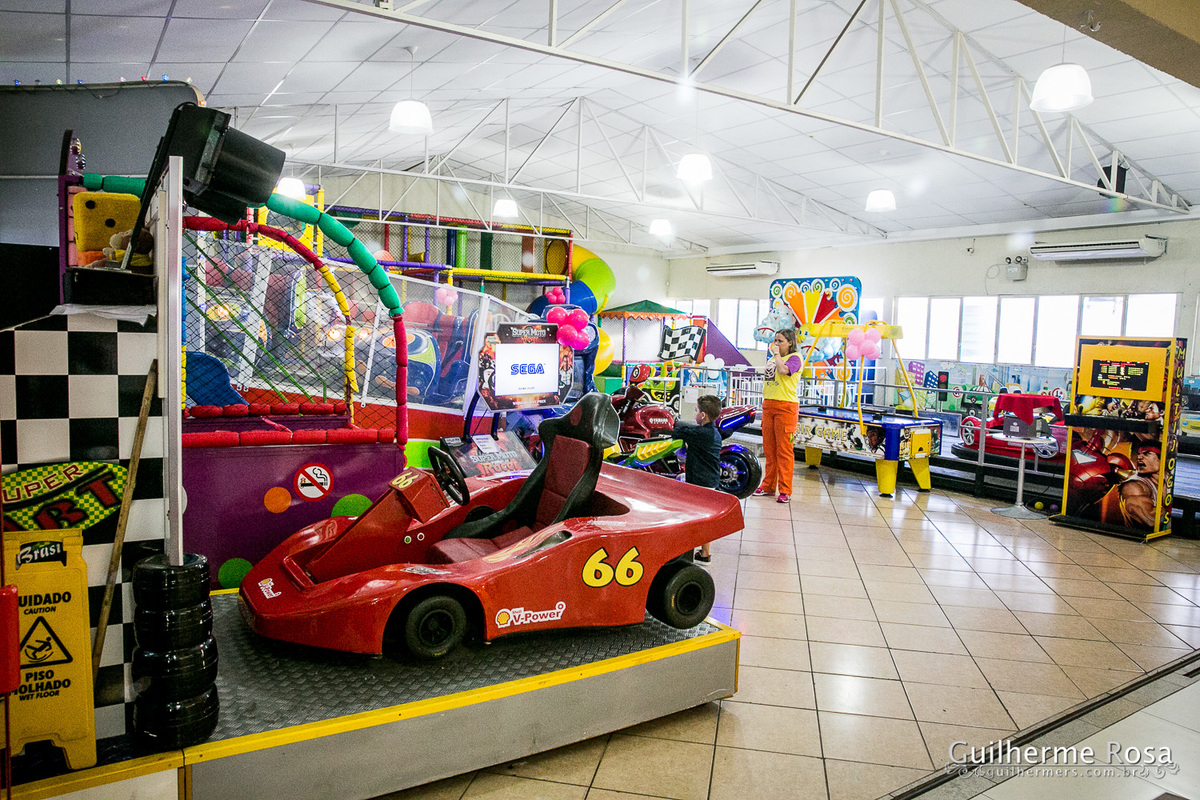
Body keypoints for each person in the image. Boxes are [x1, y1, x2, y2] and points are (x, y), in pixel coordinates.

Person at [673, 394, 724, 562]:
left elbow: (679, 432)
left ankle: (687, 554)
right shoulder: (713, 433)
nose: (694, 414)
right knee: (704, 519)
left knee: (695, 519)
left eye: (696, 411)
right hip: (709, 480)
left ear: (702, 415)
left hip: (700, 482)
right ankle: (704, 553)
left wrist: (671, 423)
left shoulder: (702, 433)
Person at [755, 329, 803, 503]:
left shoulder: (795, 358)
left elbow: (783, 371)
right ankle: (768, 485)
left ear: (790, 342)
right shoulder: (772, 359)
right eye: (775, 340)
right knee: (769, 450)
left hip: (786, 407)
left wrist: (776, 355)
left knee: (784, 451)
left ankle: (785, 490)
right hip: (769, 405)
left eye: (780, 341)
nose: (776, 344)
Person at [1097, 439, 1161, 529]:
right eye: (1138, 454)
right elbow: (1151, 520)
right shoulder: (1133, 486)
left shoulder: (1165, 480)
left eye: (1147, 454)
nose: (1139, 457)